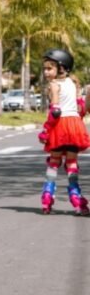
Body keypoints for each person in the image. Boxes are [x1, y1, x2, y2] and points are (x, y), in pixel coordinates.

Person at [38, 48, 90, 215]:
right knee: (72, 165)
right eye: (45, 68)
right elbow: (81, 108)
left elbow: (55, 111)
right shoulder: (73, 84)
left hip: (60, 126)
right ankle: (78, 202)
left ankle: (47, 199)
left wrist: (46, 131)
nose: (46, 72)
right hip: (75, 126)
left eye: (49, 68)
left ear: (61, 67)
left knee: (53, 163)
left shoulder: (54, 85)